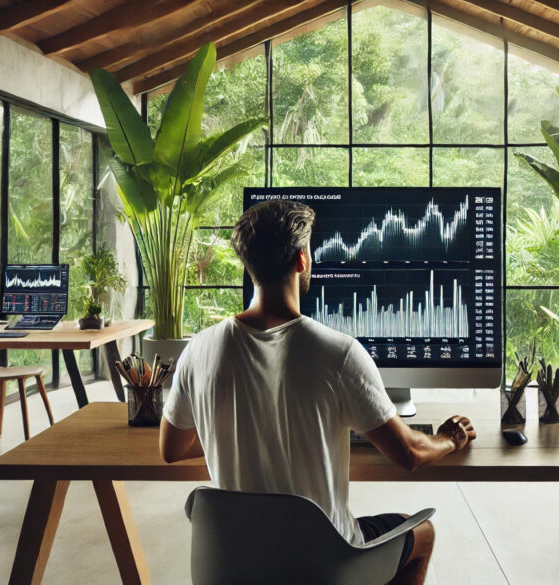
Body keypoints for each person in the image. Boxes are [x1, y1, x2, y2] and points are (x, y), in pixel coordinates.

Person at [159, 199, 476, 585]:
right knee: (422, 533)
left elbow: (171, 448)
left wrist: (240, 431)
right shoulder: (339, 353)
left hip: (233, 566)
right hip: (322, 567)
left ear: (250, 264)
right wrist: (447, 438)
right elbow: (409, 454)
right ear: (302, 260)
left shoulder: (199, 349)